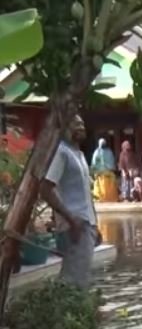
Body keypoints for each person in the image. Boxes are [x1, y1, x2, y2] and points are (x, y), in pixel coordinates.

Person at [40, 115, 101, 289]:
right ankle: (69, 312)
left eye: (82, 123)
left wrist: (95, 225)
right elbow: (45, 188)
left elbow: (85, 195)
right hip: (74, 224)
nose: (81, 127)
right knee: (74, 279)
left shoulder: (79, 154)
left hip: (86, 223)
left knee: (80, 274)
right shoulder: (61, 152)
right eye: (75, 124)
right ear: (65, 127)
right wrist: (70, 218)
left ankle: (75, 312)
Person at [91, 138, 119, 202]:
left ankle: (108, 197)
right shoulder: (97, 152)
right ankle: (101, 197)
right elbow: (94, 162)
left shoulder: (108, 152)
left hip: (107, 172)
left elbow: (111, 161)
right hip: (101, 172)